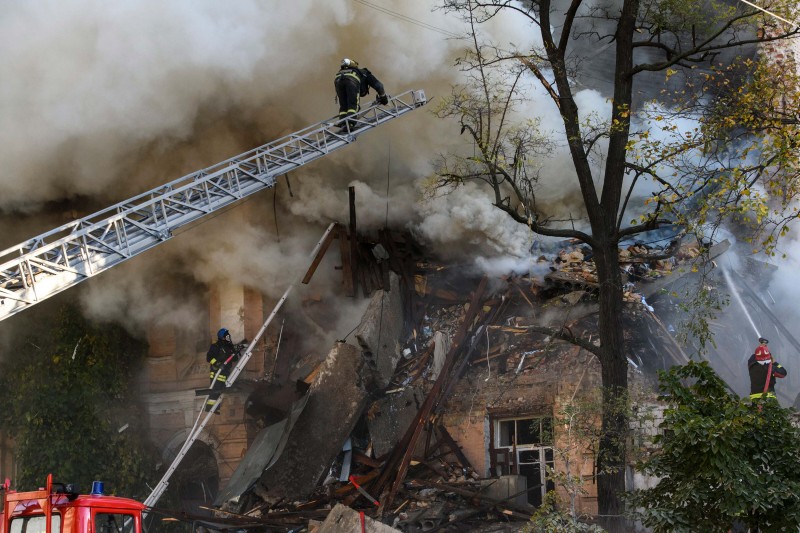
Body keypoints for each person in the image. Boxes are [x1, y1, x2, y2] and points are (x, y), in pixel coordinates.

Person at [334, 58, 389, 131]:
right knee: (353, 105)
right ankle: (350, 124)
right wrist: (384, 99)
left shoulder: (343, 72)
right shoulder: (365, 73)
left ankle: (343, 123)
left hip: (338, 80)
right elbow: (379, 86)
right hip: (351, 82)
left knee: (344, 105)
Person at [205, 328, 245, 413]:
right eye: (227, 335)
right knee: (216, 390)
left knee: (220, 391)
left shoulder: (229, 346)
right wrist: (217, 364)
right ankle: (210, 407)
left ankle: (215, 408)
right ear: (222, 337)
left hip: (224, 373)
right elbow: (209, 358)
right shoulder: (215, 346)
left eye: (228, 335)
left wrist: (236, 351)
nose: (229, 337)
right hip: (216, 373)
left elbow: (234, 359)